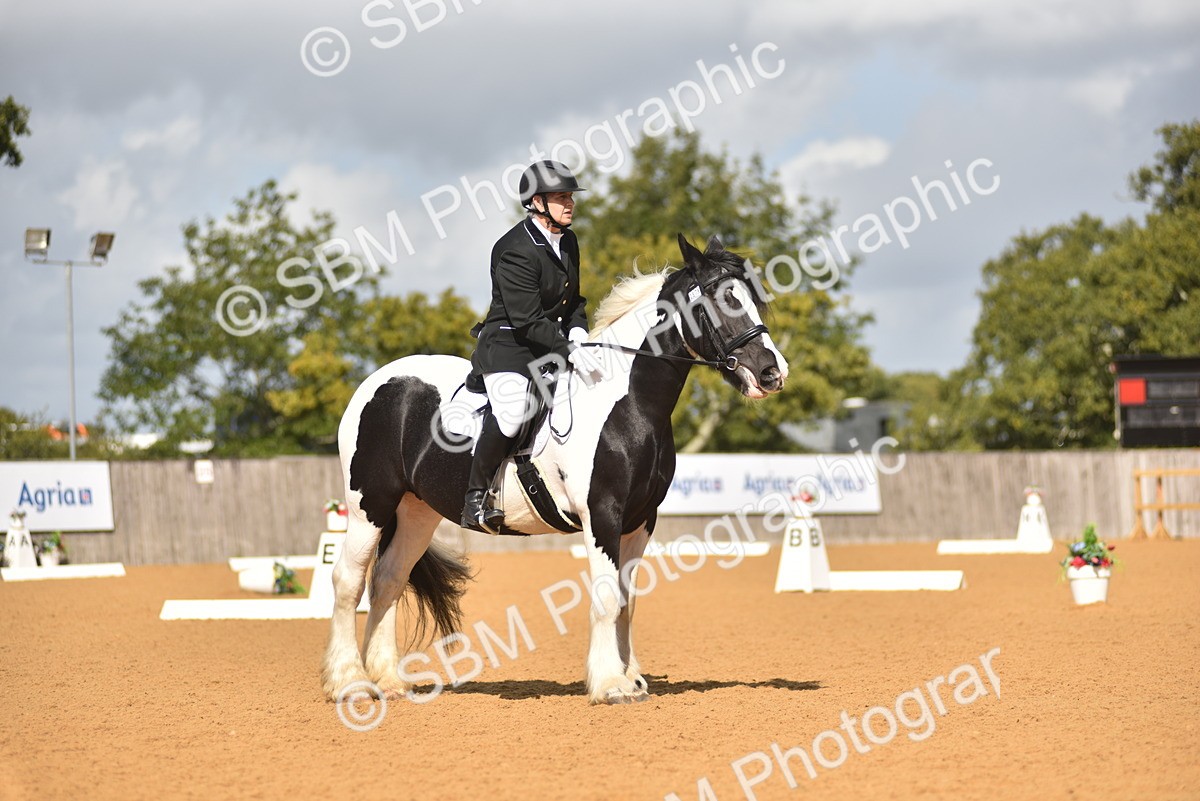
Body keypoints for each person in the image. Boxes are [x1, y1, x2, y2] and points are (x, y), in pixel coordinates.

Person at [461, 160, 607, 533]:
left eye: (570, 196)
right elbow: (526, 319)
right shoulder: (514, 249)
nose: (570, 203)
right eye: (561, 197)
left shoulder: (568, 241)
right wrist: (569, 350)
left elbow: (573, 302)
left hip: (550, 345)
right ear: (537, 202)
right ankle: (475, 499)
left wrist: (578, 332)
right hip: (510, 347)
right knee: (512, 413)